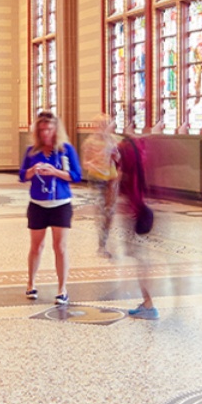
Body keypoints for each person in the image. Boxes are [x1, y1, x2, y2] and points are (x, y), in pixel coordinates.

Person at [21, 109, 82, 306]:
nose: (45, 133)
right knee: (37, 246)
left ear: (56, 129)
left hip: (61, 204)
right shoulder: (32, 151)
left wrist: (55, 172)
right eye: (42, 130)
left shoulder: (66, 150)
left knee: (60, 247)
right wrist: (32, 171)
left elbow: (76, 175)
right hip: (38, 204)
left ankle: (62, 289)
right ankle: (31, 283)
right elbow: (22, 176)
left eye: (49, 129)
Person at [118, 133, 159, 319]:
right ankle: (147, 302)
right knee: (141, 256)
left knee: (141, 258)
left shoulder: (124, 150)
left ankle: (149, 304)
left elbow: (120, 179)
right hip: (144, 208)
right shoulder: (140, 148)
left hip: (136, 211)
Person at [80, 113, 120, 259]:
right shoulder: (89, 142)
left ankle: (105, 240)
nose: (103, 128)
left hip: (111, 179)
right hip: (96, 179)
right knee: (100, 210)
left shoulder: (113, 140)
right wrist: (94, 165)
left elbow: (118, 159)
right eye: (100, 125)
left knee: (109, 212)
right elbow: (85, 163)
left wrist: (116, 156)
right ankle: (101, 245)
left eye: (106, 124)